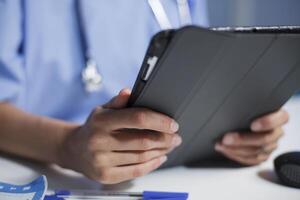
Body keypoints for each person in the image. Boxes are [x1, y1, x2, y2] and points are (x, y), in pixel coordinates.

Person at [0, 0, 289, 184]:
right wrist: (66, 145)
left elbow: (199, 76)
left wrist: (235, 129)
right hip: (41, 174)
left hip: (173, 174)